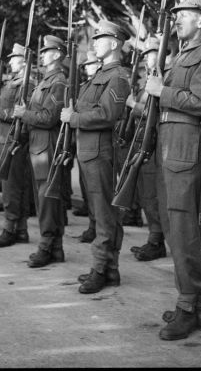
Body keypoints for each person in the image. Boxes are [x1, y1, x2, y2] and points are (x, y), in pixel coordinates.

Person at [144, 0, 201, 340]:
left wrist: (162, 91)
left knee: (182, 230)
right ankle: (199, 306)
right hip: (171, 144)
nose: (176, 17)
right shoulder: (181, 54)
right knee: (177, 228)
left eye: (184, 12)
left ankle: (188, 306)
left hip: (186, 147)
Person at [61, 20, 131, 294]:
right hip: (89, 153)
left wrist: (74, 117)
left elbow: (107, 115)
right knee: (102, 213)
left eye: (99, 38)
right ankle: (110, 269)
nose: (94, 42)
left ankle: (101, 268)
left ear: (114, 43)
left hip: (101, 154)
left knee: (104, 215)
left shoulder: (117, 77)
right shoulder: (99, 76)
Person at [14, 35, 67, 268]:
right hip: (38, 144)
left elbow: (48, 118)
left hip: (48, 143)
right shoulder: (45, 81)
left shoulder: (58, 82)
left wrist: (23, 114)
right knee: (43, 196)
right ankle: (55, 248)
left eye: (47, 51)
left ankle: (47, 245)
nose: (42, 54)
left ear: (57, 54)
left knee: (47, 198)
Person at [0, 43, 34, 248]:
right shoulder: (12, 82)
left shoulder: (27, 84)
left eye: (14, 58)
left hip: (15, 140)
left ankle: (10, 228)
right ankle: (21, 230)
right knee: (14, 186)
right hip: (5, 139)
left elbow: (18, 115)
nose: (10, 62)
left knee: (12, 187)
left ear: (24, 61)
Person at [127, 36, 168, 262]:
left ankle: (157, 240)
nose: (147, 59)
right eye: (146, 55)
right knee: (145, 193)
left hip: (155, 143)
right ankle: (154, 237)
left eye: (151, 54)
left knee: (153, 195)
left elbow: (158, 110)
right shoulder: (148, 81)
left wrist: (134, 106)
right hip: (142, 142)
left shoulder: (165, 79)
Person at [75, 50, 101, 244]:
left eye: (91, 64)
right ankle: (93, 225)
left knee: (98, 194)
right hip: (83, 144)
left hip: (97, 145)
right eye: (86, 65)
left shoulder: (104, 83)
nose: (87, 68)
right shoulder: (85, 86)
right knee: (88, 191)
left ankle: (99, 229)